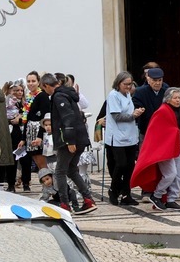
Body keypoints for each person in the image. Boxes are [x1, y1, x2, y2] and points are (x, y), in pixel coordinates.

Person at [133, 86, 180, 209]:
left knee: (178, 175)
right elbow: (156, 132)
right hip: (164, 150)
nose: (178, 100)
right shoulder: (162, 111)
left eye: (179, 98)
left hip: (176, 147)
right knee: (170, 174)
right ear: (168, 99)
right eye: (175, 98)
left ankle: (171, 199)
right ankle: (156, 195)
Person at [47, 76, 95, 213]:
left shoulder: (58, 96)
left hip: (69, 140)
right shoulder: (68, 94)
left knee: (60, 172)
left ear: (46, 85)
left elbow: (67, 118)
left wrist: (69, 141)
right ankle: (88, 199)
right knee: (72, 170)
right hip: (80, 138)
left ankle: (64, 204)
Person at [102, 71, 140, 206]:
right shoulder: (113, 95)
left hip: (130, 135)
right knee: (121, 164)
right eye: (126, 84)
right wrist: (133, 115)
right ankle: (114, 189)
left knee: (130, 165)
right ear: (119, 83)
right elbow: (117, 116)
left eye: (130, 84)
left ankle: (126, 194)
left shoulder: (128, 94)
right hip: (117, 136)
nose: (129, 86)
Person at [132, 63, 167, 133]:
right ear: (148, 80)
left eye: (160, 80)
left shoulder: (167, 91)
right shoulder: (140, 92)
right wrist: (138, 111)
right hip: (146, 131)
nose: (157, 83)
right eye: (154, 80)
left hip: (164, 130)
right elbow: (134, 107)